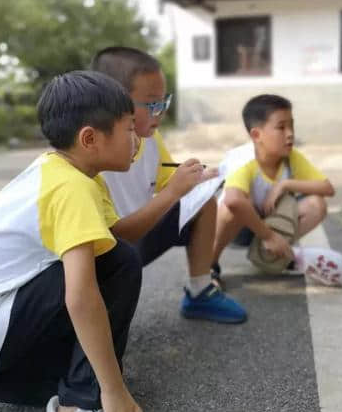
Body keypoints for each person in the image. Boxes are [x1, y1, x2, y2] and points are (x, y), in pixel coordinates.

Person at [0, 71, 143, 412]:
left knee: (110, 254)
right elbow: (81, 297)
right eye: (129, 128)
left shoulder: (58, 170)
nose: (137, 137)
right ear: (89, 139)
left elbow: (116, 234)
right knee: (118, 263)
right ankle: (80, 401)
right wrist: (112, 390)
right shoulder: (72, 187)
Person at [90, 46, 247, 324]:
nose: (160, 113)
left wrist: (196, 180)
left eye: (164, 102)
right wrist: (175, 190)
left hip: (134, 241)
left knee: (203, 201)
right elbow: (112, 234)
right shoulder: (91, 158)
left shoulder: (150, 140)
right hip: (106, 258)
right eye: (152, 104)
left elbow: (167, 182)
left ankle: (200, 290)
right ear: (112, 102)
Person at [212, 94, 335, 282]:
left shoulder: (290, 157)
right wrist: (268, 236)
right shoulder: (244, 159)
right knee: (231, 207)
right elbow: (233, 200)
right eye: (281, 127)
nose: (290, 134)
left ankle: (271, 254)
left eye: (291, 125)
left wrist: (285, 184)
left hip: (267, 222)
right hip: (237, 229)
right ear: (256, 135)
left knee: (316, 205)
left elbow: (327, 188)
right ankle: (210, 265)